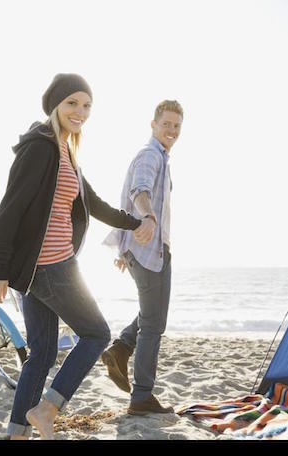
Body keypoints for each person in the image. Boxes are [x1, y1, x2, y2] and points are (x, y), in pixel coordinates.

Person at [0, 73, 155, 440]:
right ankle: (46, 408)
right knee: (97, 334)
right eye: (73, 103)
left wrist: (134, 222)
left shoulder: (66, 151)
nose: (80, 111)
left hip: (38, 271)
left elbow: (92, 204)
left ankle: (17, 434)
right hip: (49, 265)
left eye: (87, 105)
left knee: (43, 352)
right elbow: (10, 208)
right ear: (56, 105)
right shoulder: (41, 147)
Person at [102, 100, 183, 415]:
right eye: (166, 124)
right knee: (152, 324)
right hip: (147, 248)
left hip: (150, 249)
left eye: (177, 126)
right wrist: (147, 218)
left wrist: (126, 246)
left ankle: (121, 348)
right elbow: (139, 192)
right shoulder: (150, 155)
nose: (172, 131)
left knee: (155, 317)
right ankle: (142, 397)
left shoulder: (161, 157)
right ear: (153, 124)